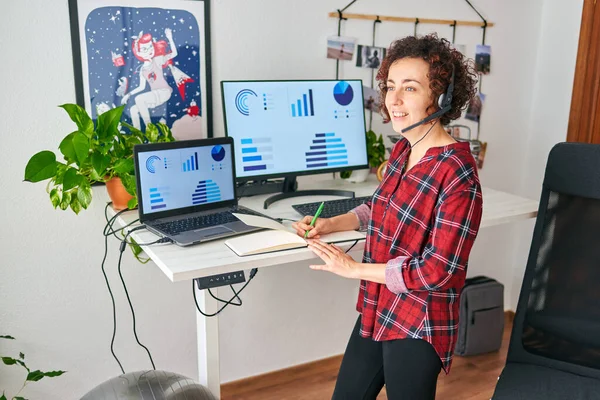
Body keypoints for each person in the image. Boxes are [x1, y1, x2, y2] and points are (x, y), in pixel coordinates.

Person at [292, 33, 482, 400]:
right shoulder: (402, 149)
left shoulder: (457, 172)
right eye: (390, 86)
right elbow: (378, 208)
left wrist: (354, 269)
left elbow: (436, 270)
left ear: (440, 97)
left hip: (419, 318)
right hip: (378, 305)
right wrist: (331, 224)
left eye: (409, 88)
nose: (393, 100)